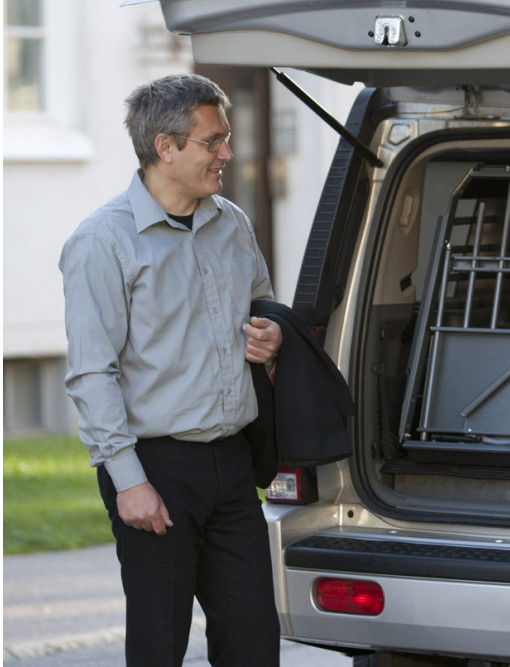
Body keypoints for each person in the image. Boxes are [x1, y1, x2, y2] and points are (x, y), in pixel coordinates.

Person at [60, 73, 282, 667]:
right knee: (160, 642)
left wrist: (272, 334)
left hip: (231, 465)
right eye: (212, 142)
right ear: (166, 147)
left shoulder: (230, 221)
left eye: (225, 139)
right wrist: (129, 481)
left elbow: (263, 305)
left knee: (254, 639)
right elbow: (91, 373)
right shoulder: (101, 242)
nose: (227, 154)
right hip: (155, 469)